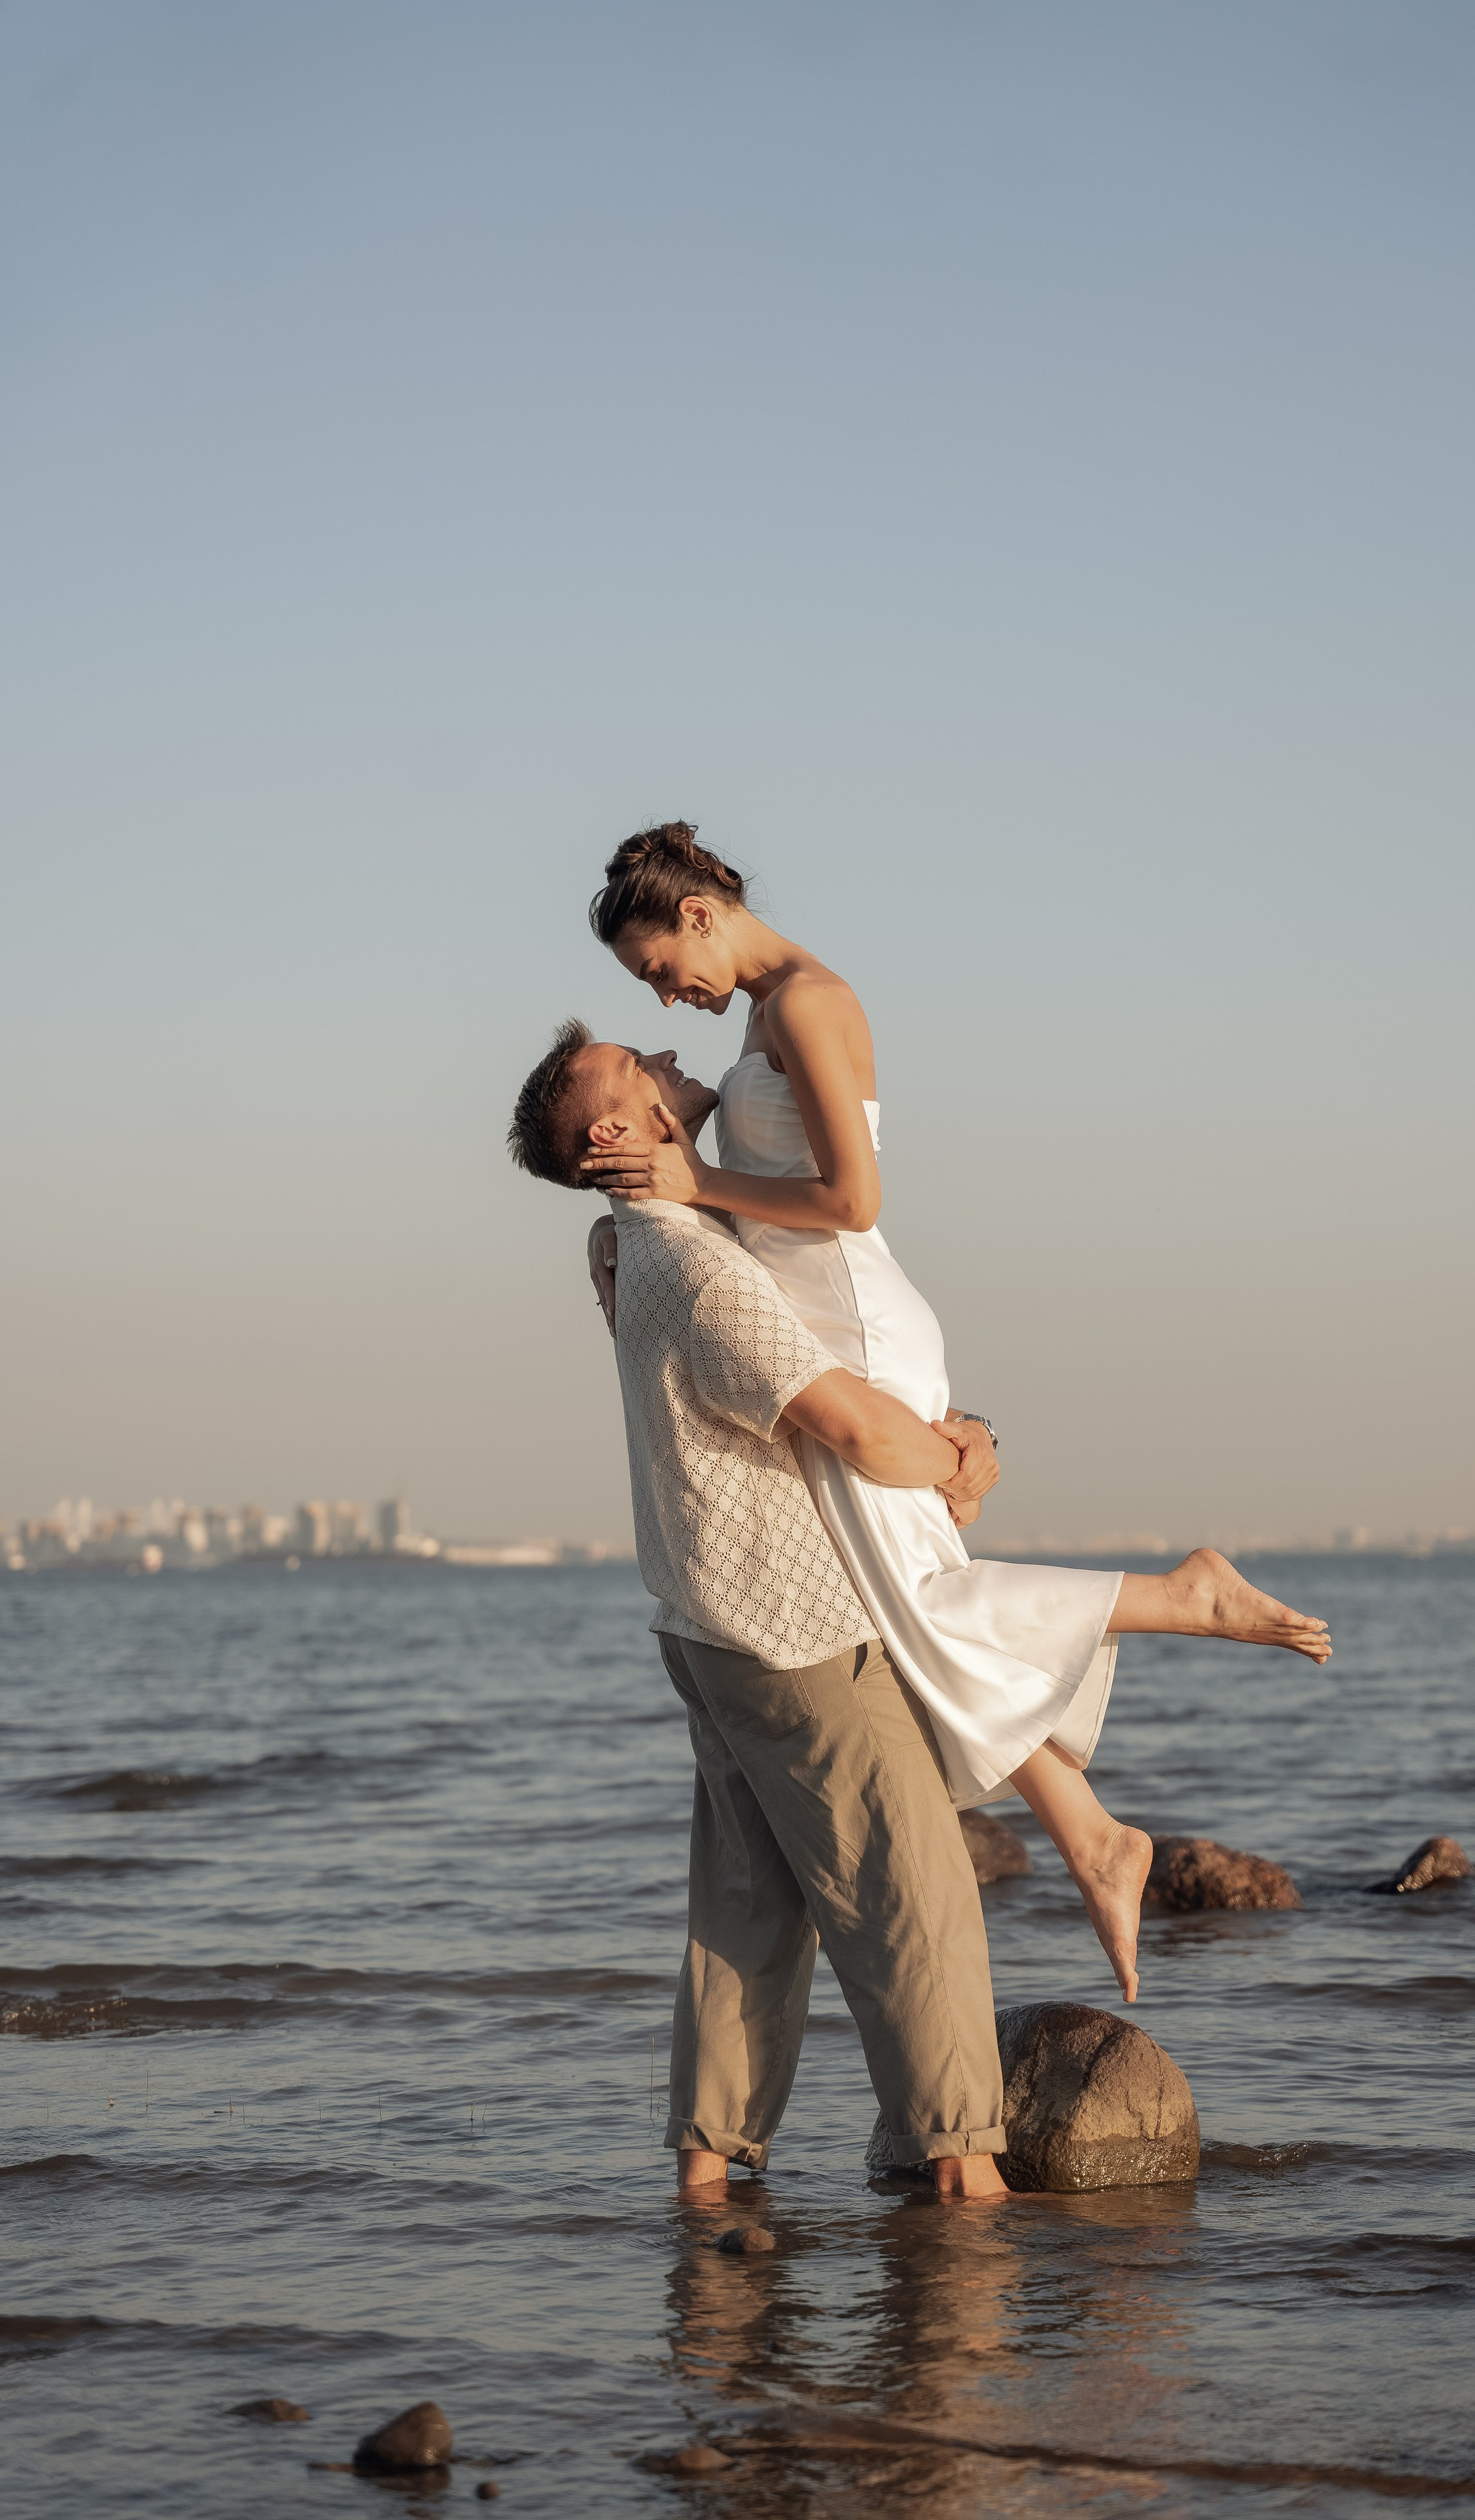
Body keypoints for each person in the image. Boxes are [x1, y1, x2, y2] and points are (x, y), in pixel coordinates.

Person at [576, 824, 1333, 2004]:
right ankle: (1092, 1837)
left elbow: (852, 1198)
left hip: (852, 1319)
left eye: (660, 968)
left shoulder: (809, 1003)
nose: (667, 996)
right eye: (647, 987)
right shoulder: (771, 1012)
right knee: (909, 1610)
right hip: (824, 1322)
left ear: (700, 915)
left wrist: (695, 1181)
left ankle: (1183, 1602)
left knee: (918, 1606)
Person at [509, 1024, 1013, 2201]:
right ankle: (965, 2176)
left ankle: (705, 2173)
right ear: (619, 1131)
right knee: (912, 1898)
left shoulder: (642, 1246)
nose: (665, 1051)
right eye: (637, 1063)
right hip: (794, 1636)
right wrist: (966, 1453)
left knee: (749, 1910)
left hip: (708, 1628)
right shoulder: (693, 1269)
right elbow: (852, 1426)